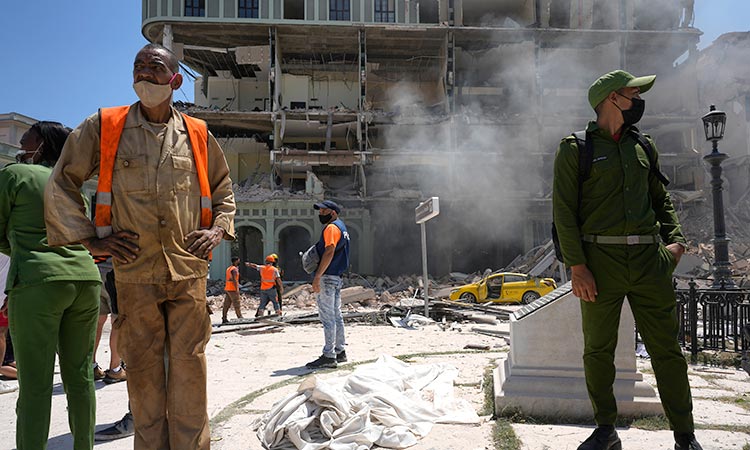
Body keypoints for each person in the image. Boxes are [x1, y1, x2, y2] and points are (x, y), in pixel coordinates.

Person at [44, 43, 236, 450]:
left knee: (189, 373)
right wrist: (90, 237)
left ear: (175, 79)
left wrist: (219, 230)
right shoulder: (105, 126)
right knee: (145, 377)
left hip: (187, 272)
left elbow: (222, 189)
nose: (145, 73)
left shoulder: (197, 134)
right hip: (135, 273)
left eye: (155, 66)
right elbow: (62, 181)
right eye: (139, 67)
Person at [553, 70, 701, 450]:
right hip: (599, 263)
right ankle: (606, 430)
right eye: (633, 93)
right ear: (611, 99)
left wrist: (677, 241)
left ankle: (685, 435)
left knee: (667, 350)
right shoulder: (576, 149)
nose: (639, 100)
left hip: (650, 260)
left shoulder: (643, 146)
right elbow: (564, 213)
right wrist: (578, 266)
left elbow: (660, 198)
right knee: (598, 351)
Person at [2, 121, 102, 448]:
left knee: (35, 384)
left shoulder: (15, 174)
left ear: (41, 143)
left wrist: (26, 252)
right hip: (86, 281)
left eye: (26, 135)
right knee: (80, 377)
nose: (20, 140)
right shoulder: (71, 186)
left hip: (38, 282)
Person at [305, 200, 351, 370]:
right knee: (336, 315)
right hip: (337, 277)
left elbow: (330, 250)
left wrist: (317, 276)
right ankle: (340, 351)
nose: (320, 213)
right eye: (320, 210)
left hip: (328, 277)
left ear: (333, 212)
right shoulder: (342, 228)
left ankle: (329, 356)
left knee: (327, 317)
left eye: (324, 211)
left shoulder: (331, 228)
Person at [92, 259, 126, 384]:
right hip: (114, 270)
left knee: (97, 319)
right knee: (118, 321)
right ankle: (115, 369)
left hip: (93, 268)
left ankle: (92, 367)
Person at [222, 256, 243, 323]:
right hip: (232, 288)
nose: (239, 262)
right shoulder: (234, 269)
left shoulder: (229, 268)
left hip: (228, 288)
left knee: (227, 304)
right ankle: (240, 317)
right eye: (238, 260)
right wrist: (237, 289)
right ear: (236, 261)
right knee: (236, 303)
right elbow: (234, 280)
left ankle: (224, 318)